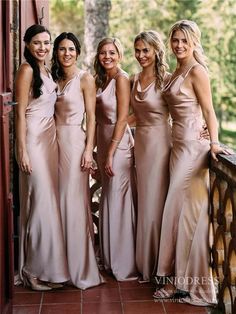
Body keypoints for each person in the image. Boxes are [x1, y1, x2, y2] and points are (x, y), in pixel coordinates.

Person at [155, 20, 231, 305]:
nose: (178, 46)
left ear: (194, 42)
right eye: (175, 40)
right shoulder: (176, 70)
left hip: (193, 150)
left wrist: (213, 141)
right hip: (177, 148)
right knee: (183, 215)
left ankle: (181, 281)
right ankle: (180, 278)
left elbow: (209, 109)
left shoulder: (198, 71)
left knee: (178, 210)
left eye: (184, 41)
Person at [15, 24, 69, 291]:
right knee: (39, 202)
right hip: (33, 141)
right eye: (37, 43)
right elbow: (19, 114)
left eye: (47, 43)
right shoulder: (26, 71)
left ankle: (47, 268)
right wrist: (22, 150)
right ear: (27, 45)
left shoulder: (47, 71)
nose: (43, 47)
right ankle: (30, 270)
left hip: (50, 141)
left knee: (48, 203)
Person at [51, 32, 104, 289]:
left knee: (73, 202)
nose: (67, 53)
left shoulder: (85, 79)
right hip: (51, 144)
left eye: (71, 49)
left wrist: (87, 150)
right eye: (62, 49)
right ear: (56, 52)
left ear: (78, 52)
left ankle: (79, 268)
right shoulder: (52, 78)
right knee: (56, 202)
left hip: (74, 143)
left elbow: (92, 118)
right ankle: (57, 264)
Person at [94, 37, 138, 281]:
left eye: (111, 52)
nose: (107, 57)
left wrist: (110, 152)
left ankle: (124, 263)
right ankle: (110, 259)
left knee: (119, 200)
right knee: (108, 199)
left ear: (119, 55)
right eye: (103, 52)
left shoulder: (122, 79)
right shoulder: (102, 79)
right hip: (103, 141)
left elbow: (124, 118)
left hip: (118, 146)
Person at [129, 31, 171, 283]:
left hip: (160, 144)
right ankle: (144, 261)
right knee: (143, 201)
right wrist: (117, 127)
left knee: (156, 203)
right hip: (140, 144)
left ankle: (159, 265)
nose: (141, 55)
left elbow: (183, 108)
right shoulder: (133, 78)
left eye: (146, 50)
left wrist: (204, 129)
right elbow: (135, 115)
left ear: (156, 50)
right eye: (137, 50)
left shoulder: (166, 79)